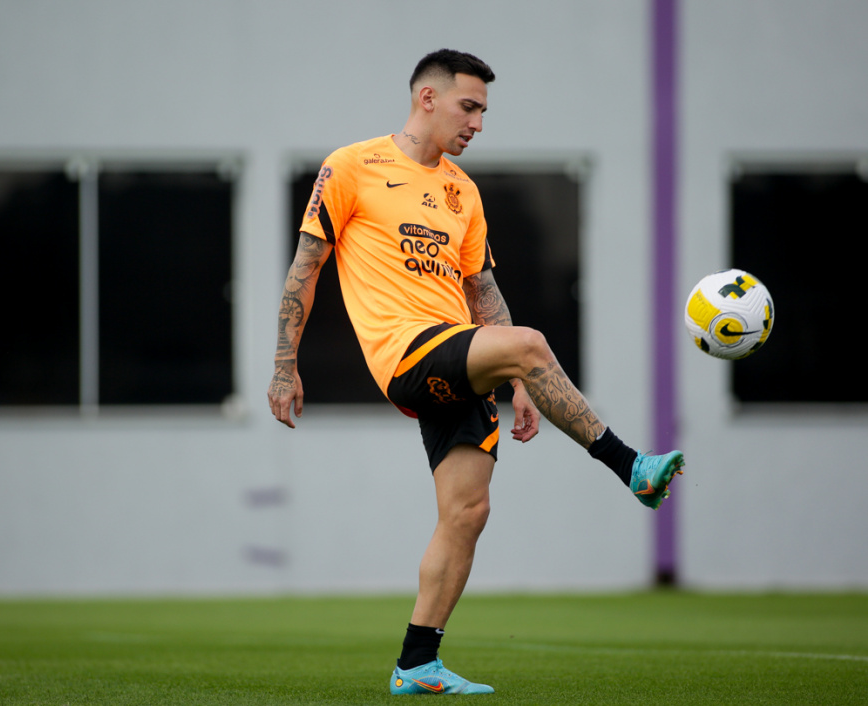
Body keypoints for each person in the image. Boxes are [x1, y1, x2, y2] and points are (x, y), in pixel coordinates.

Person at [268, 48, 684, 696]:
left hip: (458, 354)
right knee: (531, 340)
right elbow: (304, 268)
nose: (478, 123)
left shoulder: (463, 190)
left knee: (466, 511)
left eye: (484, 111)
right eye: (469, 106)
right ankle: (628, 465)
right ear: (426, 98)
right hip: (405, 353)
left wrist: (517, 382)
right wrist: (282, 366)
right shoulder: (350, 165)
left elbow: (483, 295)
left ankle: (416, 662)